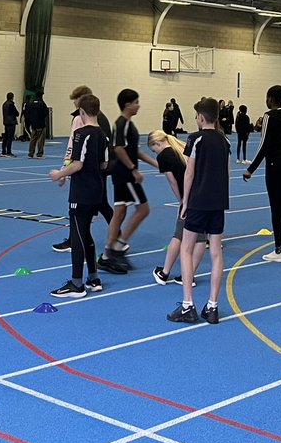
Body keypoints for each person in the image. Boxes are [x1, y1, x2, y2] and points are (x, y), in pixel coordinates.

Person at [167, 98, 230, 325]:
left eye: (196, 116)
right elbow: (227, 173)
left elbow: (189, 173)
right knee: (215, 252)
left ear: (201, 117)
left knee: (186, 248)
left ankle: (187, 305)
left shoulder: (195, 139)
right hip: (218, 202)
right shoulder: (224, 140)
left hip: (198, 202)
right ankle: (212, 306)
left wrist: (184, 202)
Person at [47, 94, 106, 297]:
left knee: (77, 236)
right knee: (86, 233)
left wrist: (59, 174)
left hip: (82, 193)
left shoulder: (82, 133)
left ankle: (76, 283)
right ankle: (93, 277)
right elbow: (104, 164)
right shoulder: (102, 135)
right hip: (97, 191)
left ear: (82, 112)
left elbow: (78, 163)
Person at [243, 85, 281, 262]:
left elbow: (264, 145)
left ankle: (278, 250)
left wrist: (250, 169)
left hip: (275, 165)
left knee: (276, 206)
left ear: (271, 99)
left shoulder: (269, 116)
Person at [103, 89, 158, 262]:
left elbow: (135, 151)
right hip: (125, 175)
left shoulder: (127, 124)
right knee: (143, 209)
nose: (138, 105)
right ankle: (119, 246)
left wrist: (155, 163)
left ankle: (107, 253)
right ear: (127, 105)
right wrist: (133, 169)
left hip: (121, 174)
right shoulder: (122, 124)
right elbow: (119, 148)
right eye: (136, 102)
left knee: (119, 213)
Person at [149, 130, 206, 287]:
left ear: (157, 144)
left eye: (154, 150)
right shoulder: (179, 149)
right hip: (202, 194)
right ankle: (189, 275)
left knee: (179, 234)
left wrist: (181, 200)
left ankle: (164, 273)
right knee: (201, 236)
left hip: (189, 197)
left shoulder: (164, 156)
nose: (156, 153)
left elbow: (173, 182)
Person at [24, 90, 48, 158]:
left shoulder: (31, 103)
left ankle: (30, 153)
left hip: (33, 124)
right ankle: (39, 154)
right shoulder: (42, 103)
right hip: (41, 124)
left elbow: (27, 114)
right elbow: (45, 113)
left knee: (33, 139)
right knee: (40, 140)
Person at [0, 92, 19, 157]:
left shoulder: (4, 104)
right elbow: (16, 113)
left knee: (6, 137)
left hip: (6, 122)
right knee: (10, 137)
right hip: (11, 122)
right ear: (12, 97)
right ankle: (9, 151)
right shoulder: (11, 104)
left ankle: (3, 151)